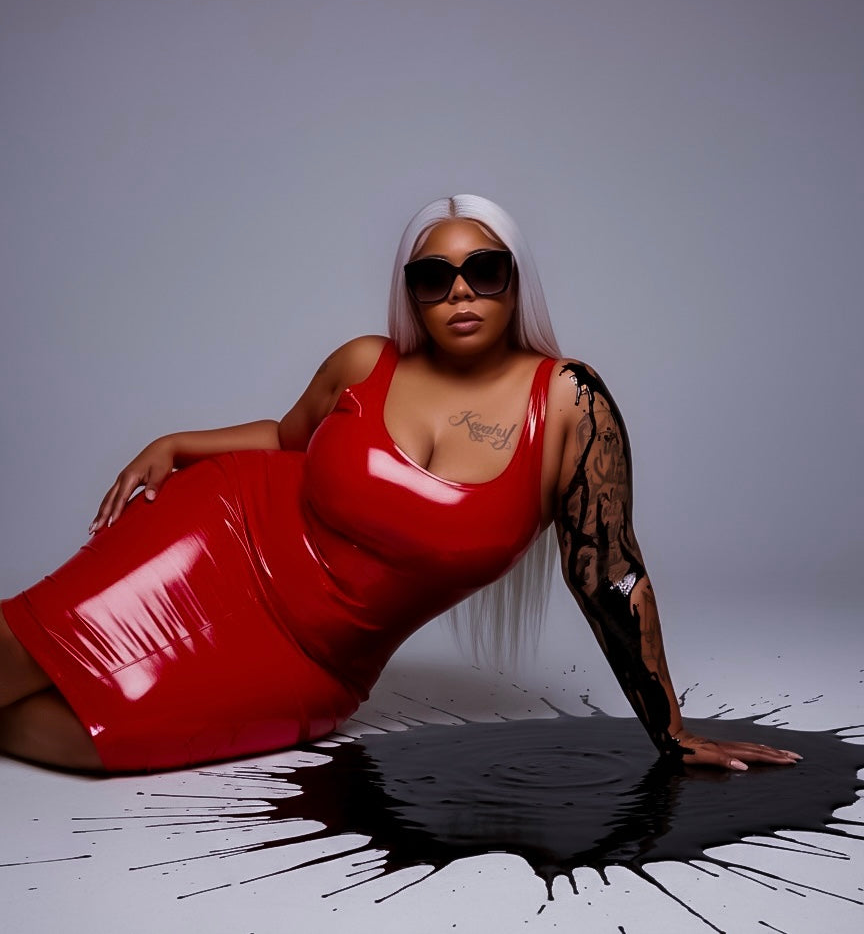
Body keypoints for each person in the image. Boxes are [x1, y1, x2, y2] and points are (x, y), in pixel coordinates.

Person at [0, 195, 800, 775]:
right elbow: (284, 439)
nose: (460, 292)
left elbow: (608, 572)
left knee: (94, 741)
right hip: (219, 532)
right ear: (412, 291)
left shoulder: (568, 403)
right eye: (434, 276)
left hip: (316, 662)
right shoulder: (365, 361)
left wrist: (671, 732)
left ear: (515, 281)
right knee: (23, 652)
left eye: (484, 270)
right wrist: (177, 444)